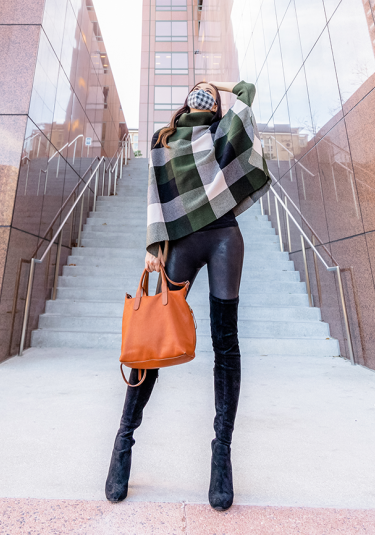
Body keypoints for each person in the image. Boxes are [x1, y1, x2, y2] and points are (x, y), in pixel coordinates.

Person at [105, 80, 270, 510]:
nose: (204, 94)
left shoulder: (222, 134)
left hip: (223, 240)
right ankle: (122, 444)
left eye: (210, 94)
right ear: (184, 101)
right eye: (198, 90)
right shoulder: (164, 140)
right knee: (152, 348)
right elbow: (155, 197)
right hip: (179, 243)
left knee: (226, 346)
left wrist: (223, 91)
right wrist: (151, 245)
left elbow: (246, 95)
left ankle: (222, 457)